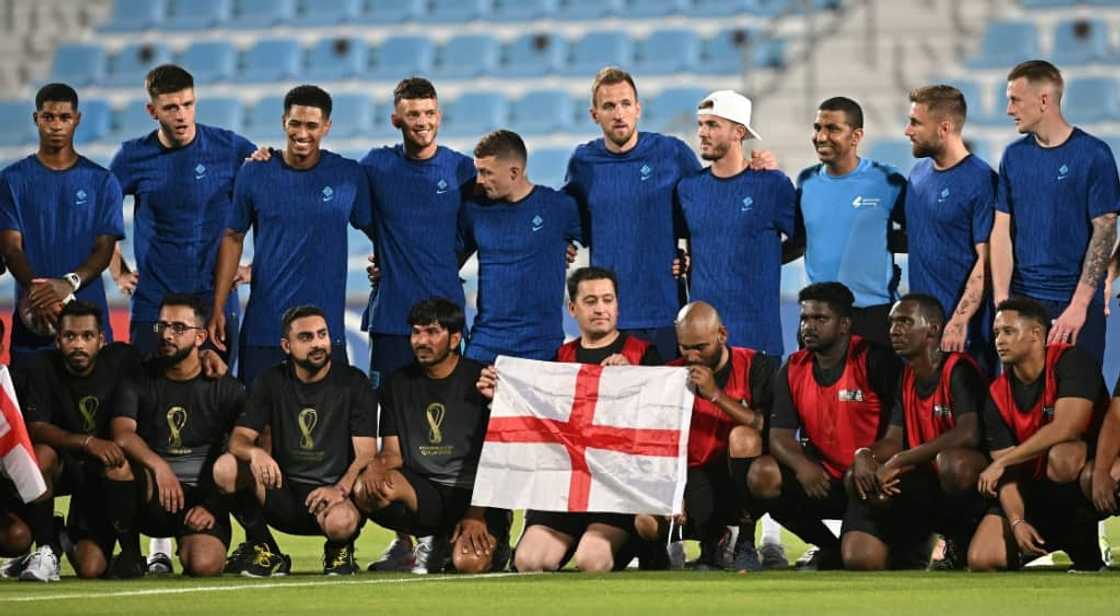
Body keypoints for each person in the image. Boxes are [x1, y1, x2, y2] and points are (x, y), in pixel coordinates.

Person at [488, 267, 660, 573]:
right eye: (590, 301)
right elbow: (540, 422)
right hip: (567, 490)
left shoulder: (643, 354)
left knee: (591, 561)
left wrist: (635, 380)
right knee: (529, 561)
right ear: (572, 308)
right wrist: (498, 397)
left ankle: (642, 545)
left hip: (615, 491)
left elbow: (661, 425)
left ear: (617, 305)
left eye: (608, 300)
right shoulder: (559, 360)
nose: (600, 309)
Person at [207, 85, 372, 387]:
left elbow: (378, 230)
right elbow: (233, 236)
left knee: (327, 428)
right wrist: (218, 306)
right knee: (257, 427)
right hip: (265, 329)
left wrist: (382, 264)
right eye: (295, 123)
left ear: (327, 127)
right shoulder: (255, 172)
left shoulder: (348, 174)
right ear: (284, 121)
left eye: (312, 125)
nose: (302, 133)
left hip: (325, 333)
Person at [212, 306, 376, 576]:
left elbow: (366, 454)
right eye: (306, 337)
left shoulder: (354, 382)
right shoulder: (270, 381)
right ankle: (265, 548)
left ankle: (339, 548)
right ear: (287, 346)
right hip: (282, 494)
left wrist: (340, 490)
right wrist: (256, 454)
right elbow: (239, 440)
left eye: (322, 335)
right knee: (225, 468)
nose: (317, 344)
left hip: (333, 499)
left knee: (341, 523)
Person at [748, 282, 900, 570]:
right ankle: (828, 547)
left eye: (820, 319)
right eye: (805, 318)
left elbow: (901, 429)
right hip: (822, 479)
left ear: (844, 325)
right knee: (762, 475)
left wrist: (872, 457)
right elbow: (779, 436)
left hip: (869, 478)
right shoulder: (793, 367)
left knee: (861, 561)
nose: (809, 327)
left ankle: (907, 544)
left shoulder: (875, 360)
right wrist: (802, 466)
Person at [109, 64, 256, 362]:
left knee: (217, 396)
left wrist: (257, 268)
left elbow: (273, 204)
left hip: (214, 300)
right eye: (171, 107)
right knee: (149, 396)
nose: (181, 115)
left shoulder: (231, 148)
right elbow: (97, 218)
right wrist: (118, 271)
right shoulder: (131, 156)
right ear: (153, 111)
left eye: (188, 105)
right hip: (154, 300)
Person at [354, 299, 509, 574]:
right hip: (426, 491)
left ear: (455, 339)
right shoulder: (397, 383)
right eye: (416, 332)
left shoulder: (482, 380)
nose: (421, 341)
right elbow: (392, 453)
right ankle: (432, 540)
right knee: (365, 490)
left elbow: (499, 457)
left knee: (468, 565)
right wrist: (374, 466)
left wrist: (477, 515)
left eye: (432, 332)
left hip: (475, 495)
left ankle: (495, 536)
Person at [563, 67, 702, 360]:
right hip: (610, 320)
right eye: (609, 106)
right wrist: (562, 244)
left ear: (638, 109)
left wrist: (692, 255)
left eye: (626, 104)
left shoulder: (672, 153)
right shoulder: (583, 162)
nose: (618, 113)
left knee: (667, 405)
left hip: (666, 311)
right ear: (594, 115)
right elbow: (564, 219)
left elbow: (708, 209)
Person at [842, 294, 988, 571]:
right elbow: (893, 439)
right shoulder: (907, 376)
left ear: (932, 328)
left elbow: (969, 433)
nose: (894, 330)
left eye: (905, 322)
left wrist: (898, 461)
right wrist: (864, 454)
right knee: (859, 476)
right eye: (892, 323)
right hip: (926, 480)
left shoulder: (959, 369)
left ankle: (961, 539)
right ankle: (908, 546)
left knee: (953, 464)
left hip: (970, 482)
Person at [105, 294, 245, 578]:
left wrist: (213, 506)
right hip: (152, 495)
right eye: (163, 326)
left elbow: (246, 450)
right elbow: (122, 433)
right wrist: (159, 466)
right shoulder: (139, 378)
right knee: (117, 462)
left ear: (200, 336)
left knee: (205, 565)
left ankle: (196, 544)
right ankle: (130, 554)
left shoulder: (225, 387)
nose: (167, 334)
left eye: (179, 328)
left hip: (200, 500)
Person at [990, 60, 1119, 366]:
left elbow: (1105, 231)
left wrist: (1078, 306)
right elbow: (1001, 231)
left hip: (1072, 305)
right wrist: (1001, 301)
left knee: (1075, 405)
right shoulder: (1013, 156)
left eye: (1015, 100)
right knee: (1018, 409)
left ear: (1044, 100)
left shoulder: (1094, 154)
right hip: (1022, 303)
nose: (1009, 110)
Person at [633, 302, 777, 572]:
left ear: (722, 334)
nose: (692, 356)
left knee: (744, 438)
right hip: (692, 480)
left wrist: (715, 394)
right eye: (685, 347)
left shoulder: (755, 365)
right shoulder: (672, 375)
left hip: (737, 480)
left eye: (700, 347)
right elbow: (658, 441)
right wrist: (671, 491)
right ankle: (691, 547)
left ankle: (744, 541)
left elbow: (763, 424)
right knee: (645, 522)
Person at [968, 297, 1109, 572]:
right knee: (982, 559)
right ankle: (1044, 540)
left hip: (1089, 481)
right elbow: (1004, 473)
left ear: (1036, 334)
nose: (1000, 341)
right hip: (1034, 489)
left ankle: (1084, 545)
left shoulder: (1071, 361)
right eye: (997, 333)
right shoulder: (996, 393)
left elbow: (1069, 426)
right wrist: (1018, 521)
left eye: (1009, 331)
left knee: (1064, 456)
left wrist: (1003, 462)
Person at [359, 77, 476, 391]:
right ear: (396, 120)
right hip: (392, 319)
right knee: (387, 417)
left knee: (448, 420)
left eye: (429, 113)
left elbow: (486, 227)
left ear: (439, 116)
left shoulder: (462, 170)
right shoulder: (375, 165)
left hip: (446, 317)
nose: (423, 122)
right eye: (413, 115)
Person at [0, 83, 124, 368]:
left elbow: (104, 249)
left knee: (92, 409)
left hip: (89, 319)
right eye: (48, 117)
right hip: (34, 319)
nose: (56, 125)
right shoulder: (11, 180)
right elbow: (10, 247)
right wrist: (40, 292)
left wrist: (68, 284)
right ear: (36, 119)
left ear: (77, 119)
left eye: (64, 117)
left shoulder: (102, 181)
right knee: (34, 410)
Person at [677, 90, 795, 357]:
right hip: (702, 340)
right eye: (700, 124)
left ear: (739, 132)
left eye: (713, 125)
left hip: (757, 339)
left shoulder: (772, 185)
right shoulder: (688, 189)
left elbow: (804, 240)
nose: (702, 133)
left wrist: (766, 260)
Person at [784, 98, 907, 347]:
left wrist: (875, 242)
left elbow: (916, 235)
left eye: (833, 129)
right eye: (817, 127)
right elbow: (799, 242)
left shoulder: (887, 180)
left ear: (856, 136)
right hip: (818, 316)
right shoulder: (806, 180)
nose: (820, 136)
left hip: (873, 314)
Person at [459, 130, 581, 363]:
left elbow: (606, 239)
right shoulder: (474, 210)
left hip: (542, 347)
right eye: (478, 171)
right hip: (486, 343)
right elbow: (447, 261)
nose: (479, 180)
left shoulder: (558, 208)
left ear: (514, 172)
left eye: (486, 172)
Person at [903, 85, 997, 372]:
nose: (907, 131)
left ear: (944, 128)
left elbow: (988, 259)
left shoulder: (982, 181)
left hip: (965, 337)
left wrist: (959, 321)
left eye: (916, 122)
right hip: (922, 334)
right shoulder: (917, 175)